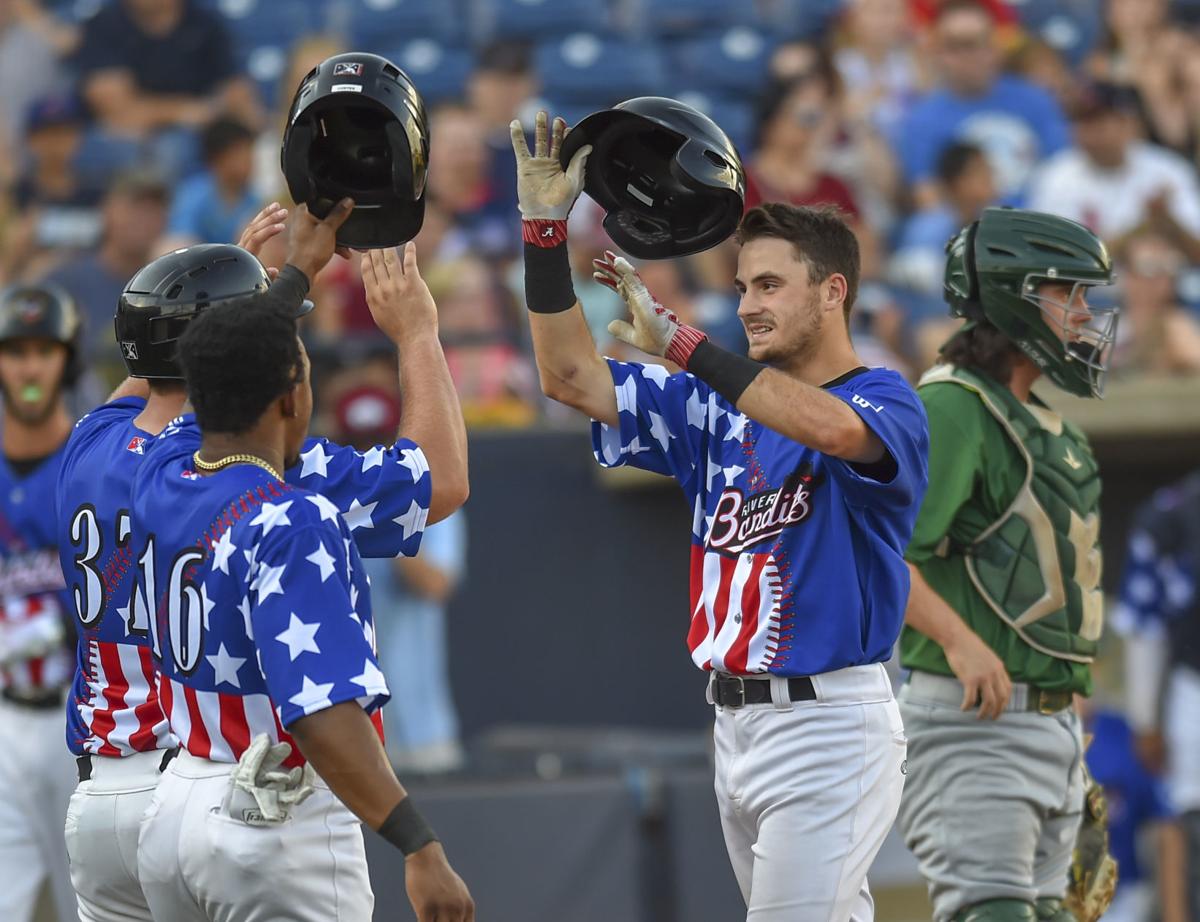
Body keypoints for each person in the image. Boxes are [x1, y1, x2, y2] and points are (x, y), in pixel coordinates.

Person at [511, 110, 930, 921]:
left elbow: (833, 430)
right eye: (742, 287)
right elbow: (568, 376)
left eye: (770, 284)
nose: (748, 304)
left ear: (833, 290)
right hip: (733, 724)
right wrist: (542, 232)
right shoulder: (711, 404)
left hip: (831, 723)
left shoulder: (884, 395)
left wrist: (681, 344)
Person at [55, 202, 469, 920]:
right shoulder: (280, 489)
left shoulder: (104, 446)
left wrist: (253, 290)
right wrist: (418, 334)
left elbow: (168, 389)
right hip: (233, 787)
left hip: (111, 795)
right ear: (285, 388)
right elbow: (444, 479)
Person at [896, 207, 1120, 922]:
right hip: (974, 722)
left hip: (1049, 725)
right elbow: (882, 555)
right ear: (1012, 295)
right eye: (1069, 294)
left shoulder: (1051, 425)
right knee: (990, 913)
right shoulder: (954, 406)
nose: (1085, 314)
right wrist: (961, 644)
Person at [0, 282, 82, 922]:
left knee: (92, 902)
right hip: (4, 716)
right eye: (15, 351)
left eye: (44, 351)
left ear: (67, 360)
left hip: (81, 720)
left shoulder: (89, 463)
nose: (29, 368)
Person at [1113, 470, 1200, 921]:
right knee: (1184, 823)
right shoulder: (1175, 512)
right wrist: (1146, 719)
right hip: (1193, 689)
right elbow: (1144, 629)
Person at [895, 0, 1070, 208]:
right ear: (938, 53)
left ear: (995, 47)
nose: (968, 55)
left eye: (977, 42)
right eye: (955, 45)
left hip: (1038, 219)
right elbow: (928, 196)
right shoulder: (922, 119)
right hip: (965, 230)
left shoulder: (1035, 100)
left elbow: (1064, 170)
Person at [1027, 82, 1200, 261]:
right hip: (1089, 289)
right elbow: (1060, 261)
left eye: (1098, 123)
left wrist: (1168, 220)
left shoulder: (1168, 169)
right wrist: (1144, 225)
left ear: (1127, 123)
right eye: (1080, 122)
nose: (1088, 133)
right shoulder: (1056, 176)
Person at [165, 116, 260, 247]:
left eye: (249, 153)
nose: (249, 161)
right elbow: (181, 236)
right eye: (239, 154)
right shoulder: (193, 192)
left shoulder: (254, 199)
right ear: (218, 157)